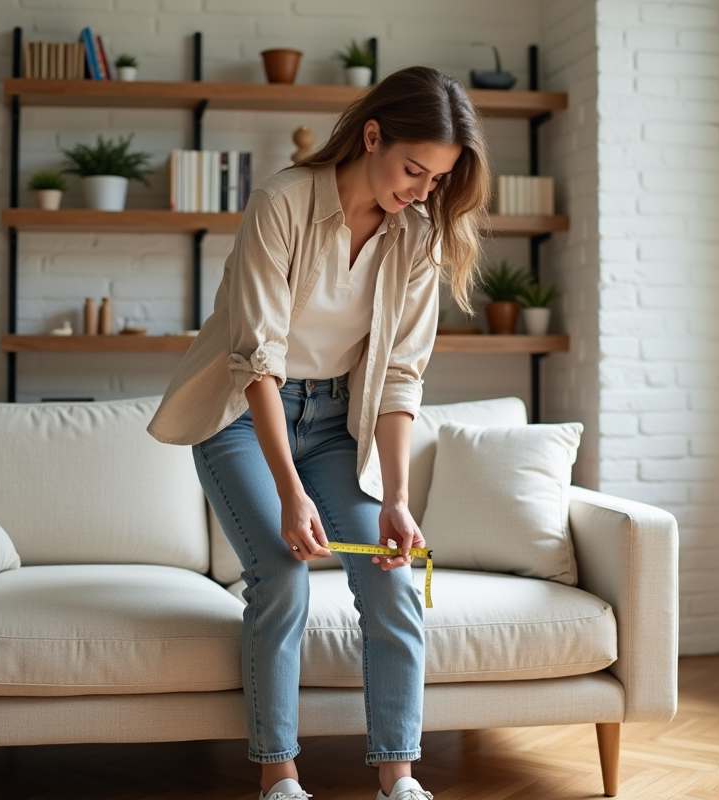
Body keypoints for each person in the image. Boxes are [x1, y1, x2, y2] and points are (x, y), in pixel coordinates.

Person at [148, 65, 491, 800]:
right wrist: (289, 490)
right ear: (372, 136)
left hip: (339, 425)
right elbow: (256, 360)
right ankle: (280, 778)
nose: (422, 190)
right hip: (246, 417)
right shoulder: (283, 202)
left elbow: (401, 377)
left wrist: (396, 496)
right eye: (413, 169)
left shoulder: (418, 236)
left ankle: (399, 777)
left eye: (437, 179)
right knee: (282, 575)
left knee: (393, 580)